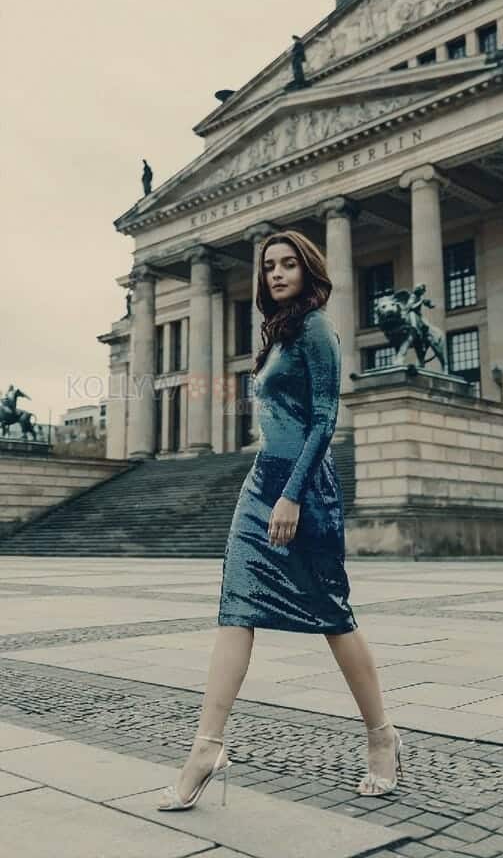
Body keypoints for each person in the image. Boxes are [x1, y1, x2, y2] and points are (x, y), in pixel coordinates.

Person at [157, 229, 403, 812]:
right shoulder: (278, 332)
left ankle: (382, 736)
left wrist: (291, 497)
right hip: (260, 484)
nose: (277, 272)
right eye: (268, 265)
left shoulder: (317, 326)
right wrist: (270, 488)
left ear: (308, 269)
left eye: (289, 263)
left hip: (303, 490)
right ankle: (206, 747)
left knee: (332, 615)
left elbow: (324, 420)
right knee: (234, 611)